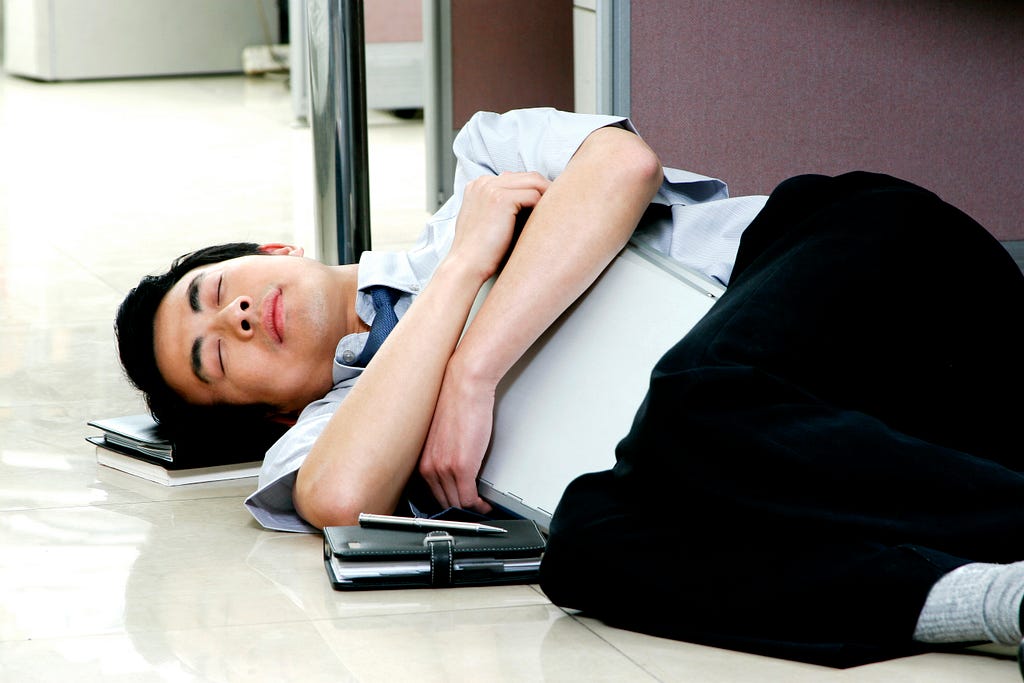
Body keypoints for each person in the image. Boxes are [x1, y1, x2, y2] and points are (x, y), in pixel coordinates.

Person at [116, 108, 1024, 670]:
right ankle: (989, 599)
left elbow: (621, 168)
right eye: (213, 360)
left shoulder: (483, 157)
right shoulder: (332, 427)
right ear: (273, 411)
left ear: (272, 251)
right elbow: (339, 494)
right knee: (588, 548)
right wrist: (466, 268)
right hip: (847, 432)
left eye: (214, 292)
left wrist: (475, 372)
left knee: (693, 398)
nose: (231, 319)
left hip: (863, 270)